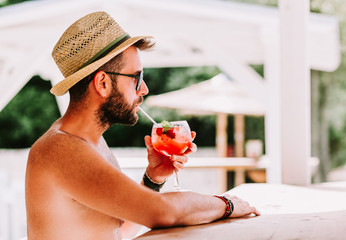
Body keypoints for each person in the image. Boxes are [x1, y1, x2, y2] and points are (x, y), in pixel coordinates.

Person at [25, 11, 260, 240]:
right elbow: (163, 212)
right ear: (103, 83)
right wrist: (228, 204)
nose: (144, 89)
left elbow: (117, 232)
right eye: (136, 77)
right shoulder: (60, 150)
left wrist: (153, 179)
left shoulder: (92, 143)